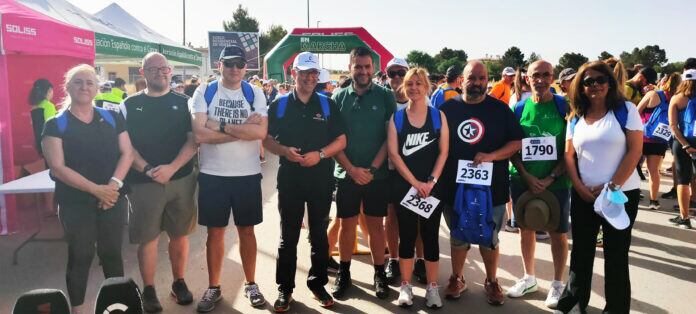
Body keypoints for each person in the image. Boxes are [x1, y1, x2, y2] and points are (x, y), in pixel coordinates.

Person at [42, 64, 134, 314]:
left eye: (90, 82)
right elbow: (58, 168)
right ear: (67, 87)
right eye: (78, 82)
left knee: (112, 255)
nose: (84, 87)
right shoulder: (55, 124)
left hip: (112, 199)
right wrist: (97, 190)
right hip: (75, 202)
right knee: (80, 256)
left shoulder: (112, 117)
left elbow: (127, 153)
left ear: (96, 88)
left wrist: (112, 187)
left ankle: (116, 307)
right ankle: (79, 310)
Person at [556, 61, 643, 314]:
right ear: (580, 87)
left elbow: (635, 150)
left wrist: (612, 186)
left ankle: (615, 309)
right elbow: (569, 156)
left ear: (610, 82)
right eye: (588, 81)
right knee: (581, 253)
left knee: (616, 256)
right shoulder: (576, 116)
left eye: (600, 80)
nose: (594, 85)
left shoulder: (626, 109)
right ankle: (573, 303)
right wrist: (580, 187)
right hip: (584, 195)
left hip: (619, 195)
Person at [263, 51, 346, 312]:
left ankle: (317, 283)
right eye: (305, 72)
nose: (310, 77)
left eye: (314, 73)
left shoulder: (327, 103)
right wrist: (285, 151)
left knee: (319, 235)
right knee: (288, 236)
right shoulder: (279, 104)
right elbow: (266, 139)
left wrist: (319, 154)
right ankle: (285, 289)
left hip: (321, 179)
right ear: (293, 73)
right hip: (290, 179)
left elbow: (341, 141)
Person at [190, 45, 269, 312]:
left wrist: (220, 126)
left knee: (247, 231)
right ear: (219, 65)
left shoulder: (254, 92)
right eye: (229, 63)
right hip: (213, 175)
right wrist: (244, 130)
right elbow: (199, 135)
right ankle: (214, 287)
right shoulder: (205, 90)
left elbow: (261, 133)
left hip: (246, 175)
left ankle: (251, 283)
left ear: (246, 67)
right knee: (215, 233)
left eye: (239, 64)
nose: (234, 69)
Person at [439, 61, 524, 305]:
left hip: (492, 188)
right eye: (471, 78)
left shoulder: (500, 109)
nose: (476, 83)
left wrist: (491, 156)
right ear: (461, 80)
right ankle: (457, 278)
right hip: (452, 188)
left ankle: (491, 280)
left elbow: (516, 142)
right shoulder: (447, 109)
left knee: (489, 237)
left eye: (481, 78)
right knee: (458, 236)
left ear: (487, 80)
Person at [119, 52, 198, 313]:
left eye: (163, 68)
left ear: (170, 70)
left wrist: (173, 168)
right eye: (152, 69)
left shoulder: (185, 102)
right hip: (144, 183)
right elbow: (126, 146)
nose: (159, 73)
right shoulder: (128, 105)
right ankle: (149, 290)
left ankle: (179, 283)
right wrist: (150, 169)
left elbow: (192, 140)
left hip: (182, 180)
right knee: (149, 238)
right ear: (142, 72)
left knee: (179, 235)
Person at [331, 46, 396, 300]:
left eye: (367, 66)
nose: (363, 71)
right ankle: (344, 273)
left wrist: (371, 169)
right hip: (346, 173)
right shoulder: (338, 97)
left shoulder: (385, 96)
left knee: (376, 227)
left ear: (373, 68)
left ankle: (379, 273)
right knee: (346, 225)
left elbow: (389, 138)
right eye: (358, 66)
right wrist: (351, 169)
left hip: (376, 176)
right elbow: (334, 138)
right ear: (350, 67)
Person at [507, 61, 570, 309]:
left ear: (553, 77)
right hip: (523, 179)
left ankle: (557, 283)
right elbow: (512, 145)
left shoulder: (563, 105)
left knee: (558, 233)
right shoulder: (520, 106)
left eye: (546, 75)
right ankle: (529, 277)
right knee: (526, 228)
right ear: (527, 79)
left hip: (556, 180)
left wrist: (551, 177)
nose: (541, 80)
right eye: (536, 76)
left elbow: (570, 148)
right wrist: (526, 175)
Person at [387, 68, 449, 308]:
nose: (413, 88)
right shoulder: (397, 118)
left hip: (432, 188)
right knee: (407, 236)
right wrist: (415, 184)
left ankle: (433, 288)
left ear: (426, 87)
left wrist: (431, 181)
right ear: (404, 87)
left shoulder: (438, 117)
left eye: (418, 84)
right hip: (405, 187)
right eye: (409, 84)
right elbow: (394, 153)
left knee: (431, 236)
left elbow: (444, 151)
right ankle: (405, 286)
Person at [637, 73, 681, 210]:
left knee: (632, 168)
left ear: (664, 81)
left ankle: (632, 194)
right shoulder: (677, 99)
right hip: (660, 139)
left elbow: (637, 111)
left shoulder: (653, 94)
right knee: (653, 171)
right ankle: (654, 200)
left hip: (642, 136)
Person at [667, 65, 696, 229]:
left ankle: (684, 217)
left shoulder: (677, 98)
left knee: (683, 180)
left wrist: (686, 145)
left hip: (682, 143)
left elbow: (673, 125)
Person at [28, 79, 57, 157]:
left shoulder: (34, 107)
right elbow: (52, 127)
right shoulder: (49, 105)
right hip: (51, 144)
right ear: (49, 90)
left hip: (40, 144)